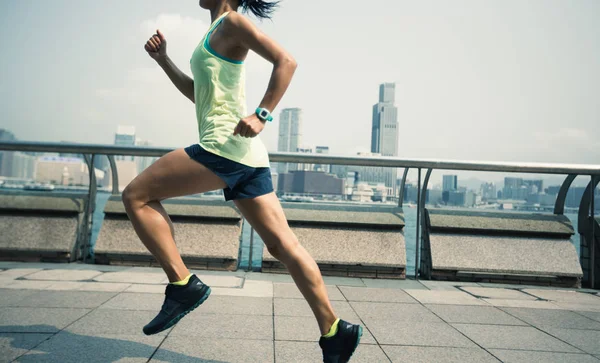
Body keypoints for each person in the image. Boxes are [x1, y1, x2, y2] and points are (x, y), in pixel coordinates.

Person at [123, 0, 363, 361]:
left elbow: (287, 61)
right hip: (246, 155)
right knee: (283, 246)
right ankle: (334, 331)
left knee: (135, 195)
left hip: (223, 148)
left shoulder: (232, 23)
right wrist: (164, 62)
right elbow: (199, 95)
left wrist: (262, 114)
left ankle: (182, 284)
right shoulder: (215, 30)